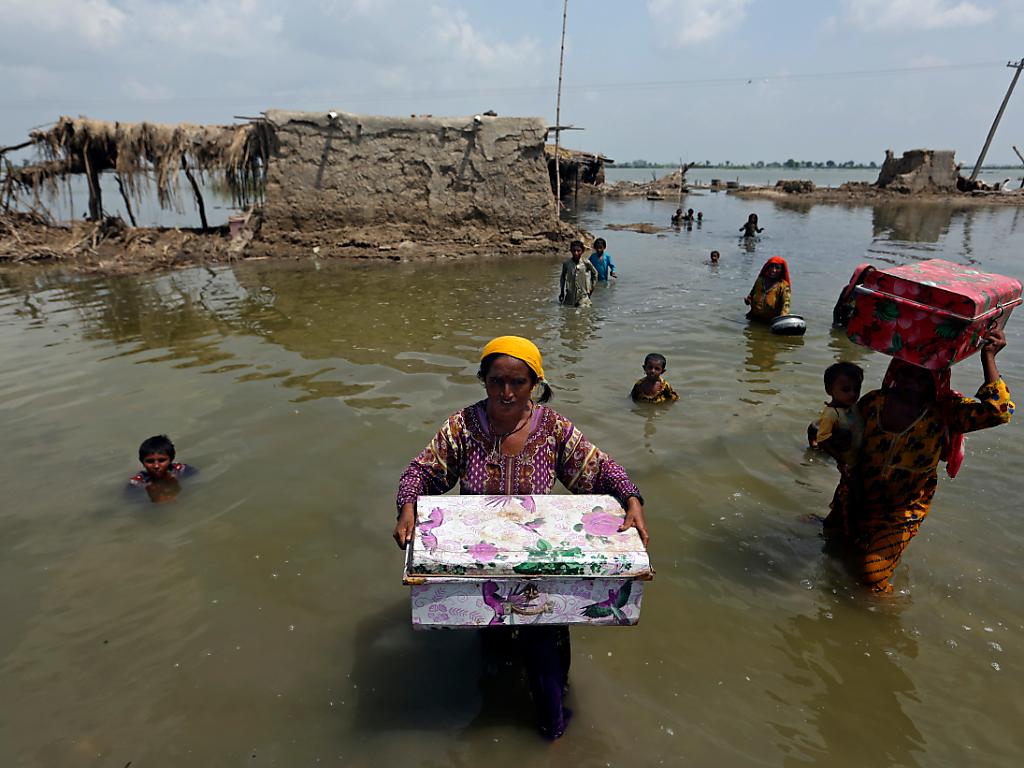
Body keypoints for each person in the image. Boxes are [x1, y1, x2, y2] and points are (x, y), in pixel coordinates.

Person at [394, 336, 648, 739]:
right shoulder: (462, 427)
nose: (506, 393)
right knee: (493, 652)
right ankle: (493, 716)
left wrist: (631, 499)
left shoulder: (553, 429)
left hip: (541, 559)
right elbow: (422, 472)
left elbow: (599, 469)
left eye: (518, 382)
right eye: (496, 381)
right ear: (483, 380)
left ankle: (552, 729)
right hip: (483, 561)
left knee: (547, 647)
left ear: (535, 384)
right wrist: (408, 505)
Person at [825, 331, 1013, 593]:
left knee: (871, 577)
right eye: (906, 373)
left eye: (922, 376)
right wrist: (826, 437)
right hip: (857, 494)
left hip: (901, 510)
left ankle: (888, 611)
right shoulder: (874, 402)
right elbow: (841, 433)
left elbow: (999, 411)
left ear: (936, 380)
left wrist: (988, 357)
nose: (912, 382)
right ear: (896, 373)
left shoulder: (945, 412)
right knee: (831, 544)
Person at [127, 434, 195, 503]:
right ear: (142, 462)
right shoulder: (138, 483)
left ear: (171, 459)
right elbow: (132, 500)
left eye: (162, 460)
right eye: (150, 461)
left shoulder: (181, 470)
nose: (156, 466)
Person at [744, 256, 791, 321]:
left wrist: (782, 319)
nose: (773, 270)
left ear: (781, 270)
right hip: (754, 317)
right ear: (767, 267)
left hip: (771, 321)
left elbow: (786, 304)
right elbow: (751, 294)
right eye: (771, 267)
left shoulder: (783, 286)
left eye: (777, 268)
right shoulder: (760, 280)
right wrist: (748, 300)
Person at [559, 240, 598, 308]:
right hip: (570, 295)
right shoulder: (567, 263)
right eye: (574, 250)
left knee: (584, 311)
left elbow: (595, 273)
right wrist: (562, 291)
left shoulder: (586, 262)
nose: (576, 253)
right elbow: (562, 277)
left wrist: (591, 288)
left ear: (582, 251)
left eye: (578, 251)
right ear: (571, 251)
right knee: (567, 310)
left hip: (583, 296)